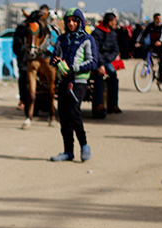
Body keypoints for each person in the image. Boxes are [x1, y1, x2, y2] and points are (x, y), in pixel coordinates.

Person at [50, 8, 97, 162]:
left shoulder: (88, 39)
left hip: (79, 82)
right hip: (63, 82)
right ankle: (68, 151)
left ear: (80, 22)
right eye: (68, 21)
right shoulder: (61, 39)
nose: (70, 23)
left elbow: (93, 62)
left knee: (73, 112)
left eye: (74, 21)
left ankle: (84, 146)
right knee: (63, 115)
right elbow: (54, 58)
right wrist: (56, 63)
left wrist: (73, 68)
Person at [92, 12, 121, 118]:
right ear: (109, 22)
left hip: (106, 61)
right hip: (97, 61)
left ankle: (113, 104)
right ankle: (98, 104)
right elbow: (95, 50)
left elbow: (115, 50)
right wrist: (101, 64)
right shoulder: (97, 33)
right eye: (114, 21)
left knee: (113, 76)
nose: (115, 23)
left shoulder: (113, 34)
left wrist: (106, 61)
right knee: (99, 76)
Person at [135, 13, 162, 84]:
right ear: (154, 19)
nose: (159, 20)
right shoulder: (150, 26)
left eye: (160, 19)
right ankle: (152, 66)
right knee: (146, 51)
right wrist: (138, 42)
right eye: (157, 19)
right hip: (154, 44)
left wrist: (160, 41)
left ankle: (160, 79)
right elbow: (143, 33)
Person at [12, 21, 28, 110]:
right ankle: (22, 101)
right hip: (23, 59)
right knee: (23, 78)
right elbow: (16, 46)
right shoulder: (21, 29)